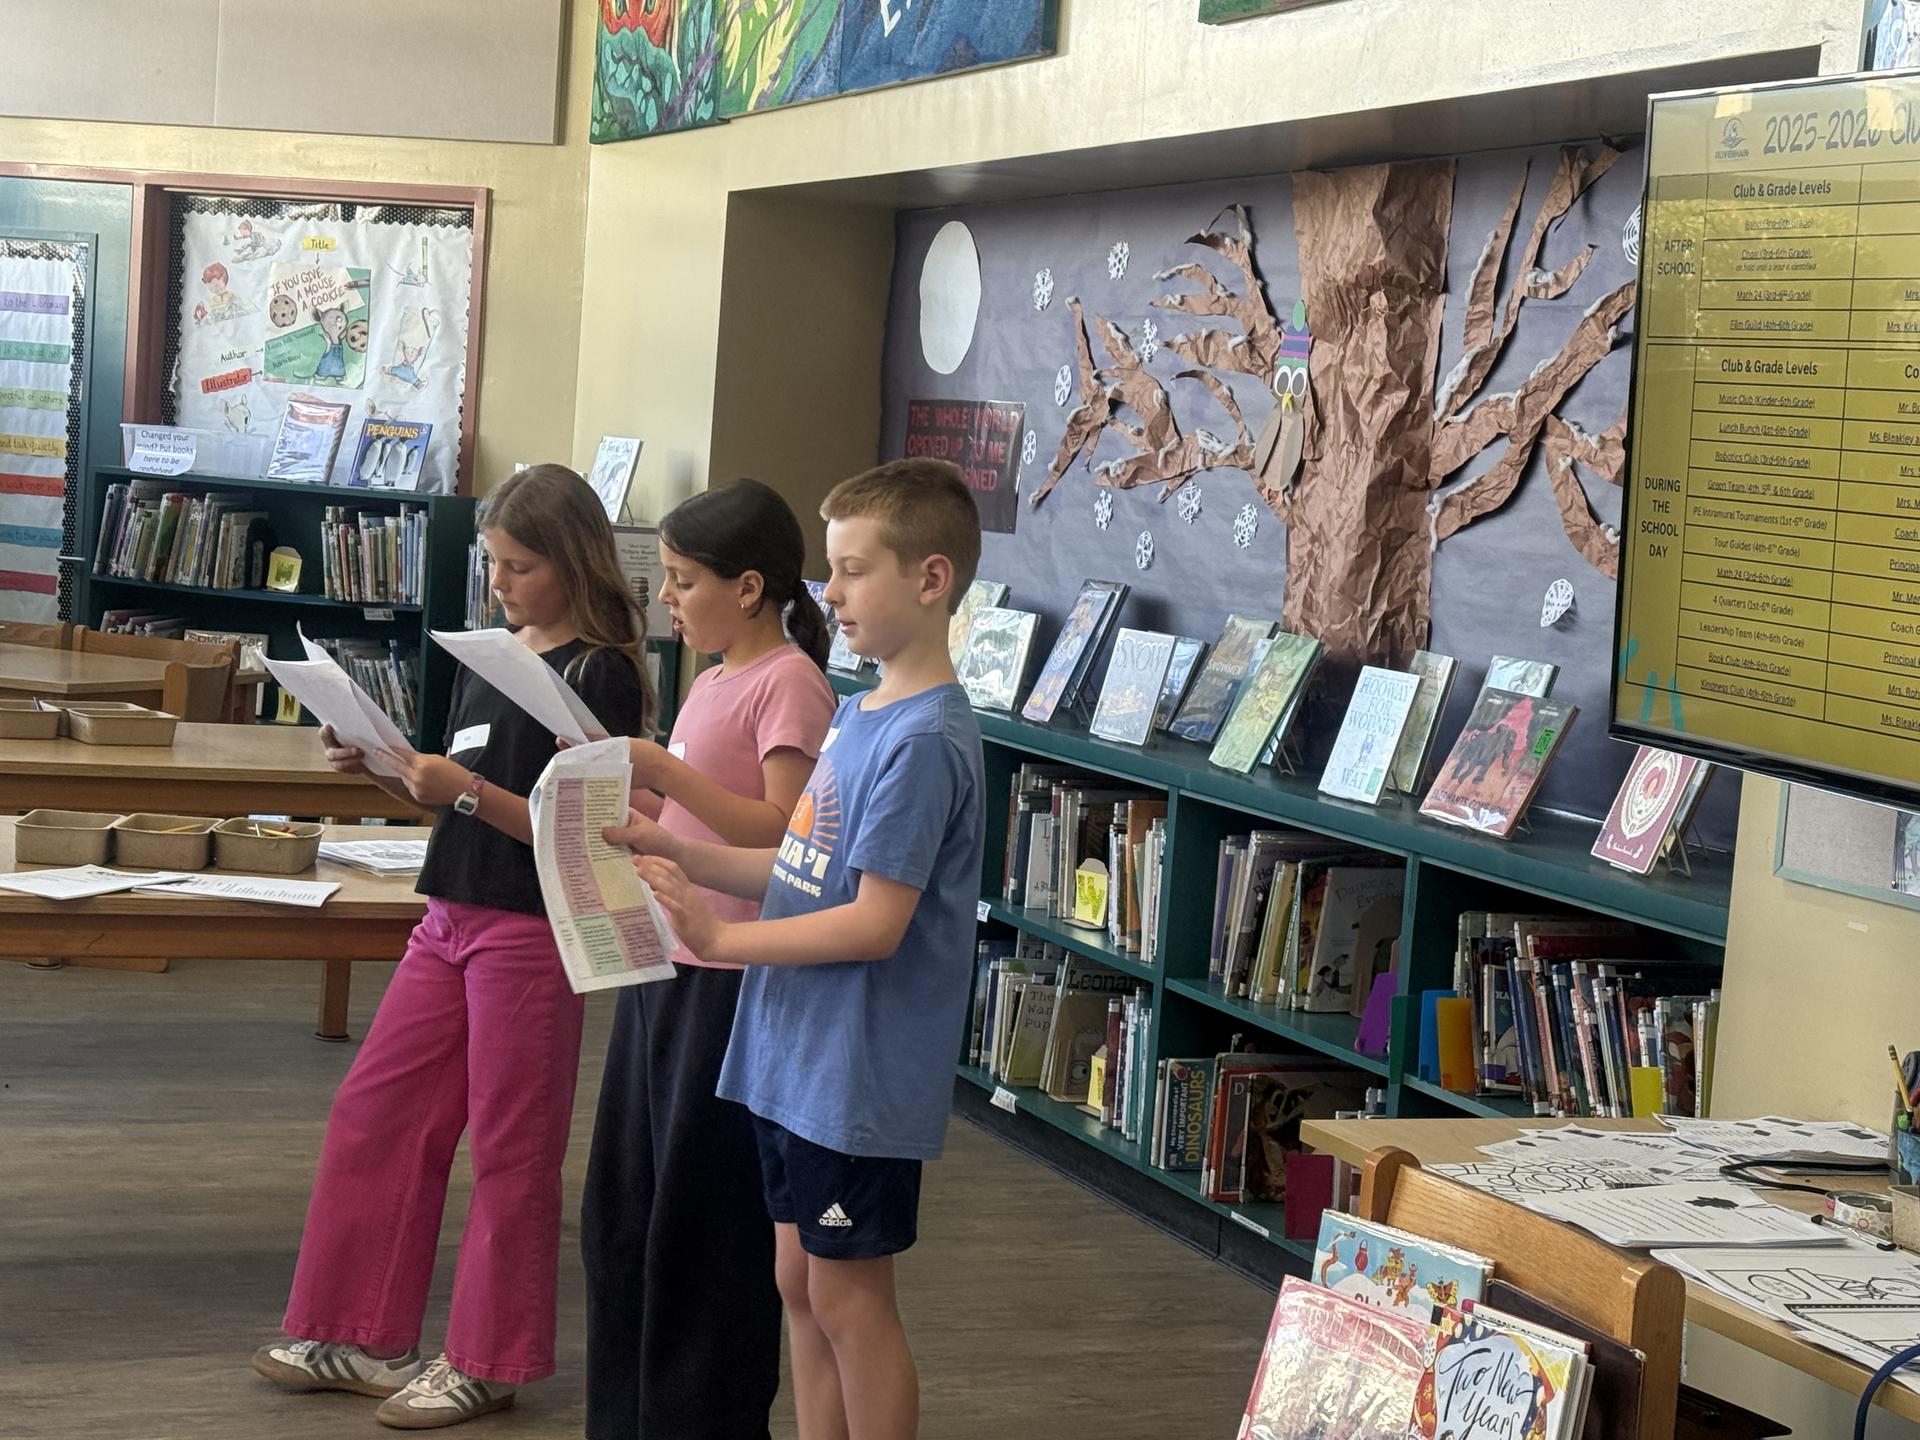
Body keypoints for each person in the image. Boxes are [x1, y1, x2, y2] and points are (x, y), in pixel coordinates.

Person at [252, 464, 654, 1430]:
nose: (503, 583)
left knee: (513, 1147)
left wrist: (460, 791)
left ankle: (488, 1360)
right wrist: (384, 769)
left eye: (521, 566)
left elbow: (589, 832)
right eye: (495, 564)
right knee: (376, 1111)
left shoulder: (600, 671)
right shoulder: (493, 652)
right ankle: (351, 1332)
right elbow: (451, 793)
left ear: (571, 562)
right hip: (450, 914)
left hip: (530, 927)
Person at [606, 458, 985, 1440]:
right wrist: (673, 851)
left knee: (852, 1303)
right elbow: (804, 870)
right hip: (793, 1063)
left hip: (854, 1079)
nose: (831, 593)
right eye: (832, 568)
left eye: (856, 570)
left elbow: (874, 922)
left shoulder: (923, 740)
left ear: (931, 580)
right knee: (798, 1285)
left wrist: (721, 935)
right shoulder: (860, 714)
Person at [582, 478, 837, 1440]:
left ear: (749, 586)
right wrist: (611, 797)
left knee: (702, 1218)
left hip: (733, 977)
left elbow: (782, 834)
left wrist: (661, 770)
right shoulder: (714, 677)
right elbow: (684, 815)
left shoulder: (791, 683)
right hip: (669, 953)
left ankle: (700, 1417)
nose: (666, 599)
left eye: (683, 581)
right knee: (626, 1207)